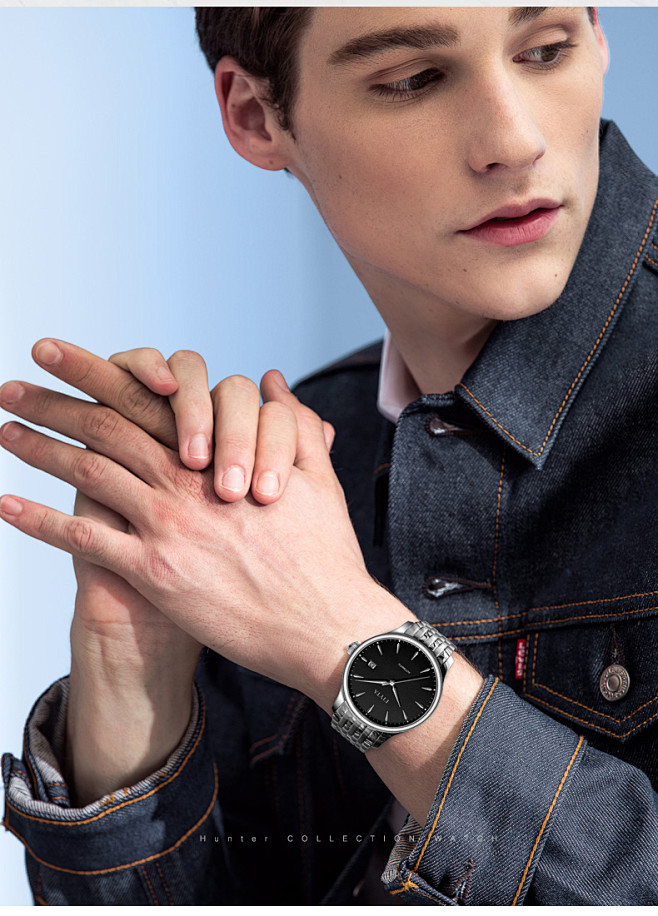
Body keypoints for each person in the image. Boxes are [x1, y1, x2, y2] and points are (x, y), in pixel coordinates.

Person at [1, 5, 658, 905]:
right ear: (256, 116)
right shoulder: (277, 485)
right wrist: (130, 670)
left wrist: (349, 644)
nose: (515, 141)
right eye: (413, 80)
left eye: (545, 50)